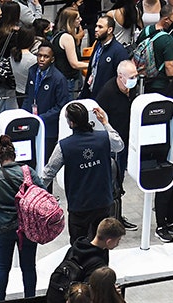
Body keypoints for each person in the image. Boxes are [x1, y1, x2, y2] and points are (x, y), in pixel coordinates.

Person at [42, 103, 123, 245]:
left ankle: (80, 266)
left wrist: (33, 193)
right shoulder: (104, 138)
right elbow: (119, 145)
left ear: (71, 123)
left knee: (78, 244)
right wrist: (106, 123)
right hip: (102, 201)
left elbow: (48, 173)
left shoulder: (64, 146)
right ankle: (101, 266)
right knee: (103, 241)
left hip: (79, 205)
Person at [0, 136, 43, 299]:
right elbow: (43, 194)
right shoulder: (29, 172)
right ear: (14, 155)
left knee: (1, 267)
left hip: (2, 228)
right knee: (29, 267)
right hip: (27, 227)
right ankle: (30, 301)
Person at [95, 59, 138, 230]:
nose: (135, 79)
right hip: (112, 145)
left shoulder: (131, 91)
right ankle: (110, 219)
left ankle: (118, 215)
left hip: (127, 140)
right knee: (112, 183)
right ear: (121, 76)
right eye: (132, 76)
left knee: (119, 182)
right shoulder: (107, 93)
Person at [26, 43, 72, 160]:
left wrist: (42, 118)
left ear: (52, 59)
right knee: (31, 158)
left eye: (46, 57)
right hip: (32, 122)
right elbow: (28, 96)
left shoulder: (58, 79)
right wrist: (25, 115)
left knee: (45, 161)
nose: (41, 59)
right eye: (39, 55)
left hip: (49, 128)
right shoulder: (32, 71)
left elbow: (61, 105)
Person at [83, 16, 130, 101]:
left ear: (109, 30)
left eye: (100, 27)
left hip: (107, 100)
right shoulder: (98, 45)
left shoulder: (119, 51)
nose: (96, 29)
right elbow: (92, 69)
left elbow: (122, 79)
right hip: (92, 94)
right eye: (96, 26)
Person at [50, 7, 87, 95]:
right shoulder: (67, 38)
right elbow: (74, 64)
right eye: (77, 18)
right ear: (70, 21)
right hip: (68, 80)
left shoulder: (58, 34)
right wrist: (93, 64)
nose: (80, 20)